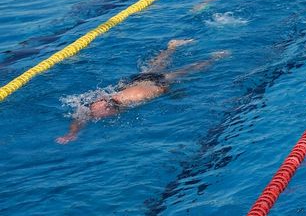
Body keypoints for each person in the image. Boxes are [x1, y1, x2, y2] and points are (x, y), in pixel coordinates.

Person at [57, 39, 226, 143]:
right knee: (156, 66)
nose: (96, 117)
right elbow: (81, 117)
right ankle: (172, 46)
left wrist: (174, 93)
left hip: (153, 83)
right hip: (134, 81)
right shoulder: (100, 102)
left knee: (187, 71)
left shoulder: (136, 97)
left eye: (102, 115)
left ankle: (215, 57)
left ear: (109, 108)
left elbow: (160, 89)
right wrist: (72, 133)